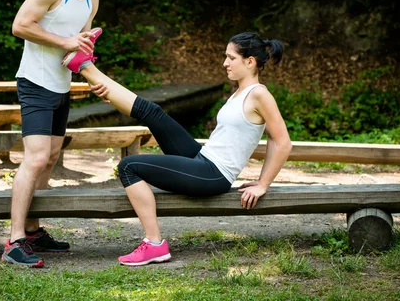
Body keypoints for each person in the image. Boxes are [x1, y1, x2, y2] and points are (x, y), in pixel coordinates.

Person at [64, 31, 292, 266]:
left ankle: (154, 244)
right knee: (153, 112)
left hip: (213, 174)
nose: (225, 63)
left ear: (250, 61)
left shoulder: (260, 94)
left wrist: (263, 183)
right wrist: (113, 96)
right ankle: (86, 67)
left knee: (128, 166)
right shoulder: (239, 93)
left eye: (231, 58)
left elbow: (281, 141)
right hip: (203, 158)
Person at [3, 0, 123, 268]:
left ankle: (33, 230)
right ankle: (13, 241)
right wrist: (67, 41)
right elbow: (20, 26)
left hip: (62, 86)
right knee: (37, 157)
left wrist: (95, 79)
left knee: (52, 155)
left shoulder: (92, 0)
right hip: (35, 82)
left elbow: (78, 49)